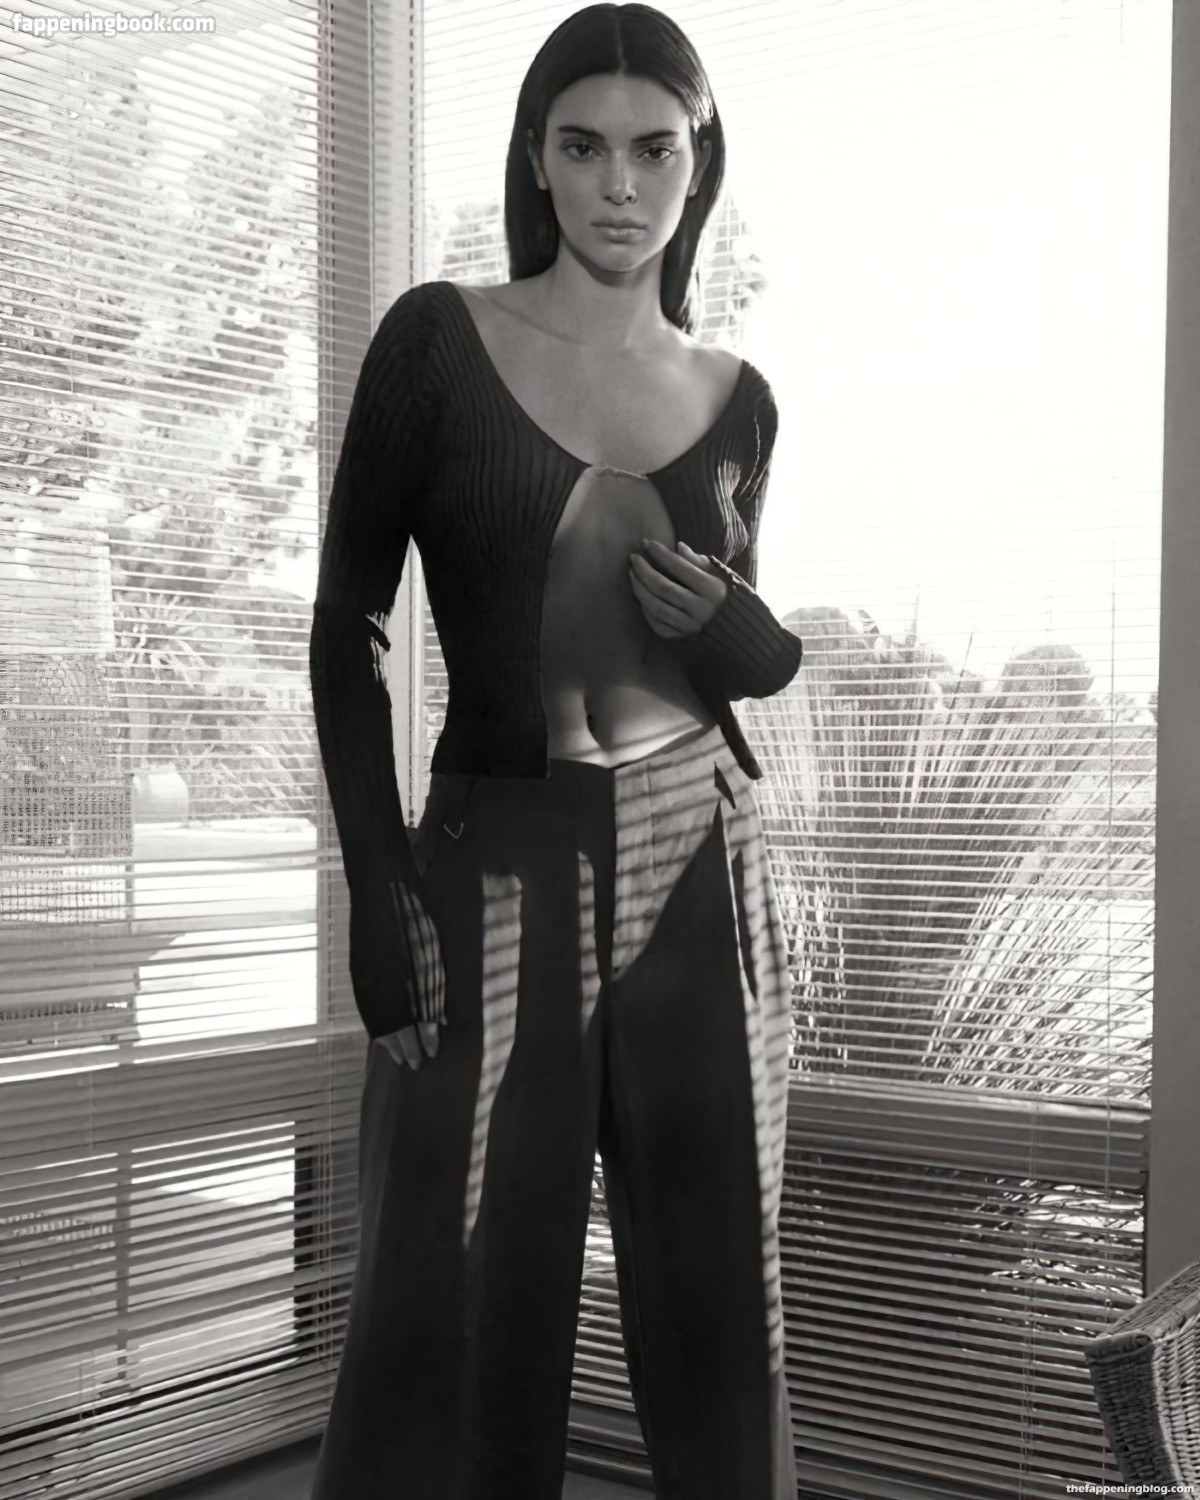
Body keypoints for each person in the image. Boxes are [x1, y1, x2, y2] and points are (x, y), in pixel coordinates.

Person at [307, 5, 803, 1497]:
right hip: (494, 862)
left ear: (699, 163)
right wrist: (378, 886)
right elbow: (348, 627)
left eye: (656, 150)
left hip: (704, 859)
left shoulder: (742, 399)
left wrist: (745, 636)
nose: (620, 184)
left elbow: (743, 658)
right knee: (444, 1302)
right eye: (584, 147)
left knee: (724, 1314)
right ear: (536, 157)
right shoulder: (436, 340)